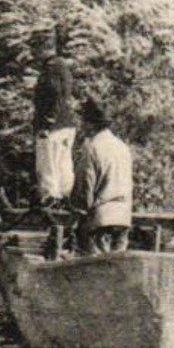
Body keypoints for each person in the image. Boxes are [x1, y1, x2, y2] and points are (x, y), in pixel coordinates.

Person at [71, 98, 132, 254]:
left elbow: (84, 188)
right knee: (118, 272)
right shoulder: (122, 147)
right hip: (123, 217)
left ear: (90, 124)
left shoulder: (92, 148)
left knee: (93, 271)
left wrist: (75, 209)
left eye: (83, 121)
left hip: (100, 221)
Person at [33, 30, 78, 206]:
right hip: (66, 123)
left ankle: (50, 197)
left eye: (36, 49)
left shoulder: (51, 67)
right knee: (63, 162)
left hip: (53, 125)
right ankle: (65, 195)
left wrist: (48, 121)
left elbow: (55, 93)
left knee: (48, 163)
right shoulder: (62, 66)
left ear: (45, 48)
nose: (34, 54)